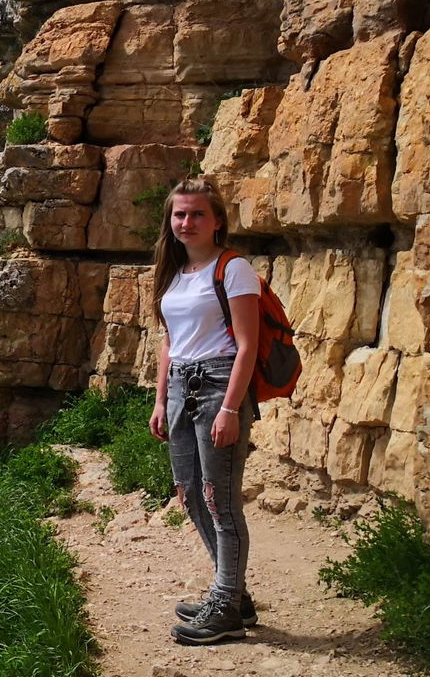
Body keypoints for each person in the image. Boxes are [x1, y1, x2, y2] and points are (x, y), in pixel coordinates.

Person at [146, 178, 261, 645]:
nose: (186, 222)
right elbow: (169, 342)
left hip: (218, 386)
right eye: (179, 214)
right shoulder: (173, 274)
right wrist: (159, 399)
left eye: (196, 214)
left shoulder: (234, 270)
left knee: (220, 500)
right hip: (179, 389)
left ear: (217, 221)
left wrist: (231, 408)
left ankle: (226, 610)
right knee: (190, 493)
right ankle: (233, 594)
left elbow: (248, 344)